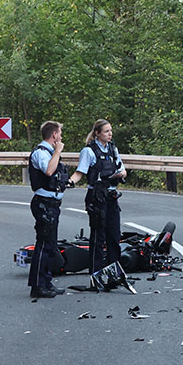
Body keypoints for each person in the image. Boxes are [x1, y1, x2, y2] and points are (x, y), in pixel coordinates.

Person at [68, 119, 128, 281]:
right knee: (98, 236)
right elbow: (80, 172)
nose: (110, 134)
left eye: (111, 130)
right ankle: (96, 274)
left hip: (112, 196)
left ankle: (114, 272)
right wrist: (70, 182)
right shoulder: (88, 151)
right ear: (97, 133)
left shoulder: (113, 149)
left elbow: (122, 169)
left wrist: (121, 174)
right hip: (96, 197)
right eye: (106, 131)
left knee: (114, 236)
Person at [27, 121, 72, 299]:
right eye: (59, 133)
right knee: (43, 246)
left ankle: (46, 282)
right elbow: (48, 171)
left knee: (51, 245)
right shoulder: (40, 153)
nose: (61, 136)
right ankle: (37, 286)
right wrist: (58, 151)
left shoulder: (49, 153)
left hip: (53, 204)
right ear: (54, 135)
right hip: (43, 204)